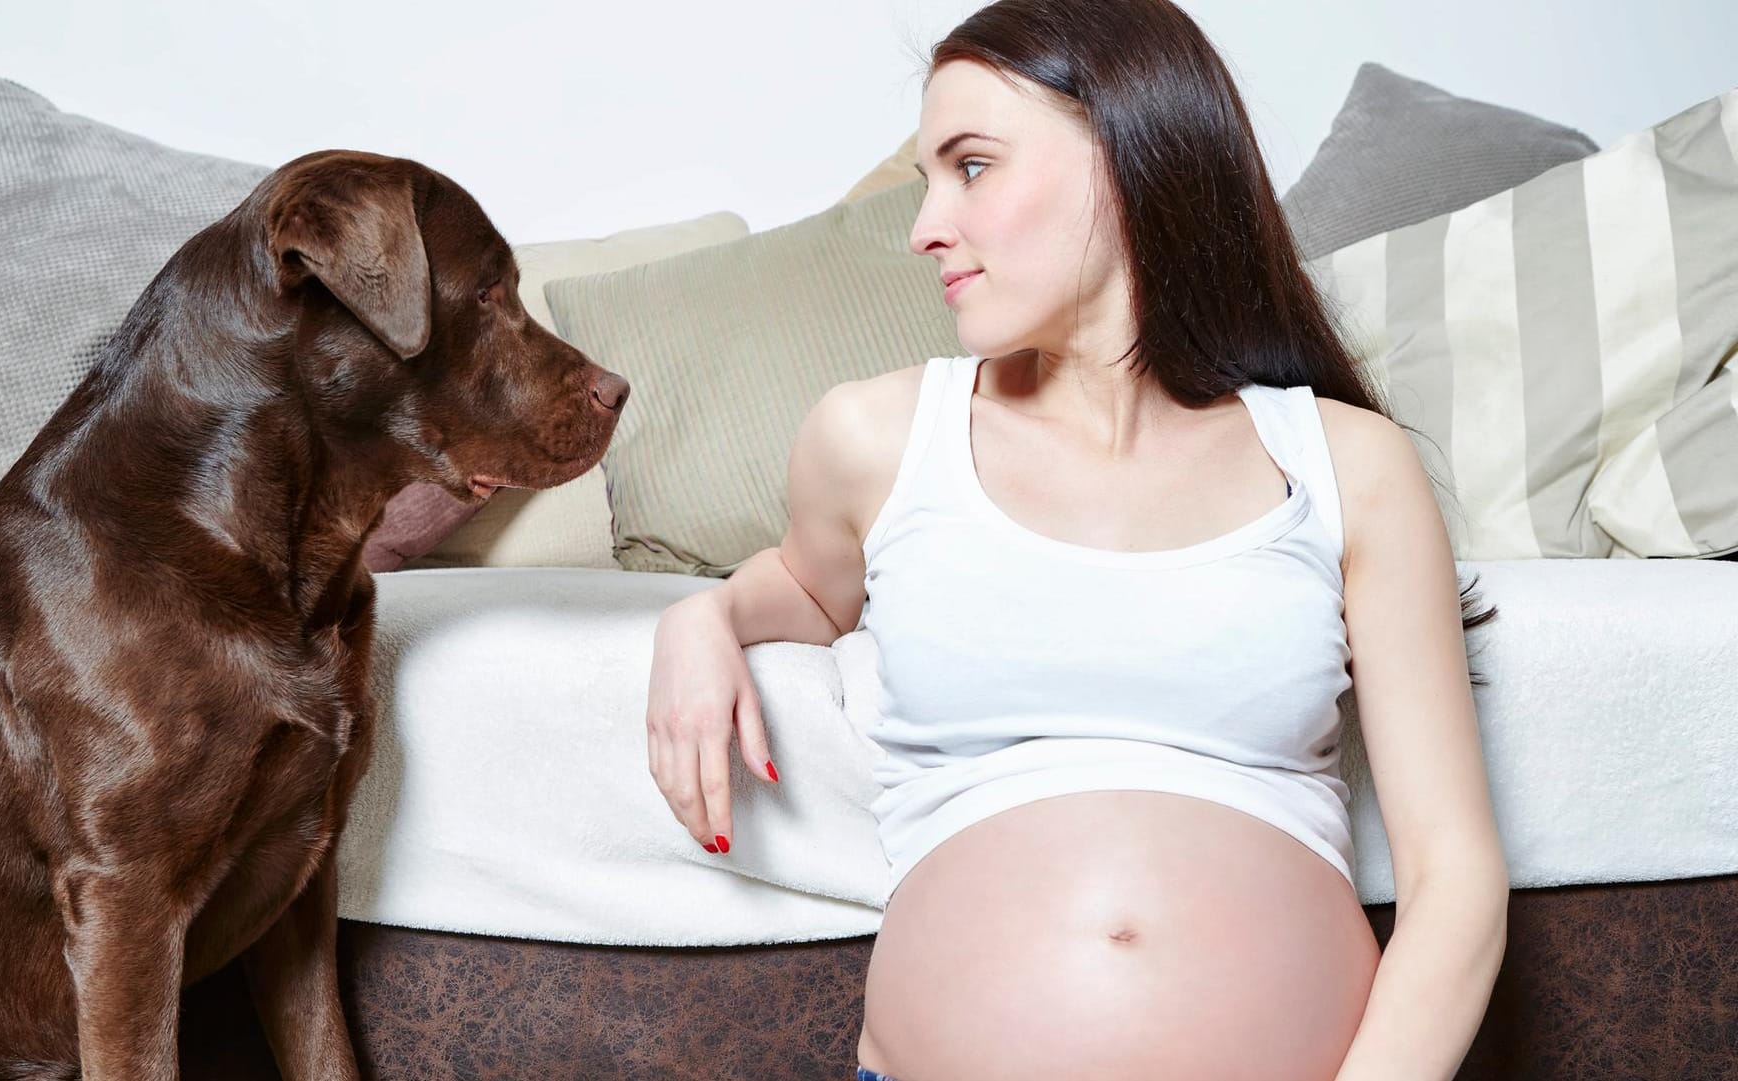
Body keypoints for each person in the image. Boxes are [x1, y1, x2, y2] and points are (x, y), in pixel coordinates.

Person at [645, 1, 1510, 1077]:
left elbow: (1454, 874)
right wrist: (703, 614)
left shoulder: (1347, 465)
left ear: (1131, 151)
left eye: (970, 165)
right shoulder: (877, 436)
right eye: (928, 180)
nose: (922, 227)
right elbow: (810, 591)